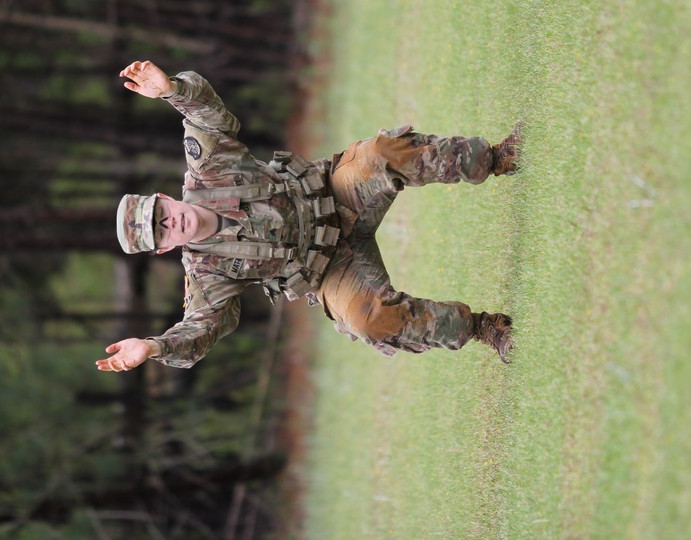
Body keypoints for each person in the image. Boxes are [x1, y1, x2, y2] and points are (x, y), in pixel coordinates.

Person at [96, 61, 521, 373]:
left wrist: (171, 88)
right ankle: (484, 328)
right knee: (370, 321)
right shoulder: (207, 274)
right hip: (329, 270)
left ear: (166, 197)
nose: (171, 223)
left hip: (334, 193)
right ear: (165, 248)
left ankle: (497, 157)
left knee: (381, 154)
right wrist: (152, 348)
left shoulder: (210, 168)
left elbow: (206, 114)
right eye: (161, 233)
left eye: (162, 214)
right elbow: (198, 334)